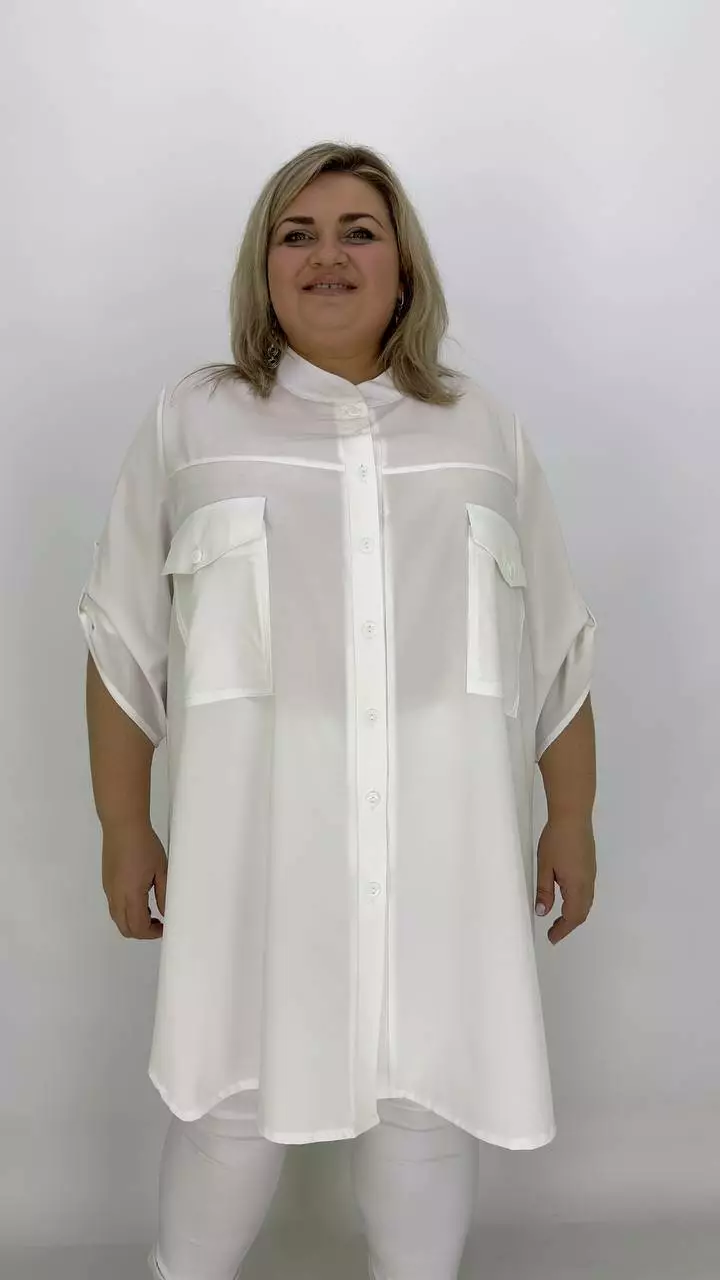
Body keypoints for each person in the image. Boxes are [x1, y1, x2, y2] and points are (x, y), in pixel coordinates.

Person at [79, 141, 597, 1280]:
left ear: (403, 265)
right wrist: (124, 826)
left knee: (427, 1095)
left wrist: (571, 816)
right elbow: (121, 640)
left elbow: (557, 641)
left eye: (359, 231)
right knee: (230, 1094)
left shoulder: (483, 431)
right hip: (259, 842)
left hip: (443, 844)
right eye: (297, 233)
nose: (328, 255)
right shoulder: (192, 423)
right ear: (263, 266)